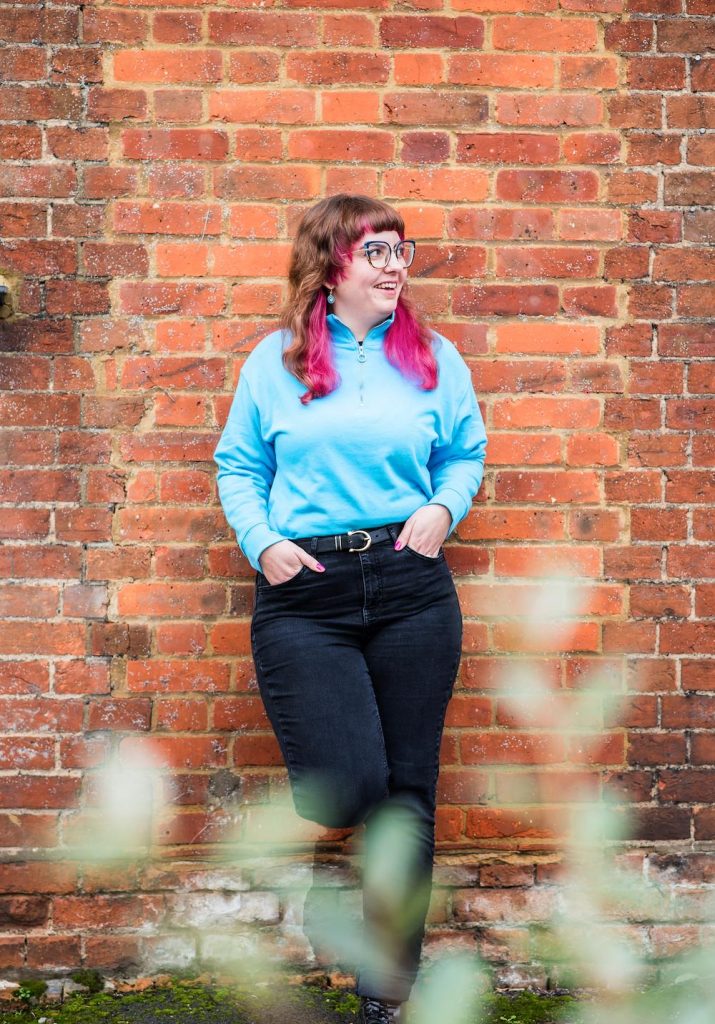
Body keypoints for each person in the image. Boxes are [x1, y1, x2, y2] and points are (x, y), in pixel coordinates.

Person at [214, 194, 487, 1024]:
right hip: (306, 591)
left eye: (401, 250)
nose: (394, 266)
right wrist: (262, 541)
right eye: (376, 252)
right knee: (349, 789)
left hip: (410, 586)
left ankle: (385, 994)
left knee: (408, 797)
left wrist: (442, 508)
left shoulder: (433, 358)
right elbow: (238, 466)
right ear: (330, 266)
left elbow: (464, 452)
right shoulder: (276, 361)